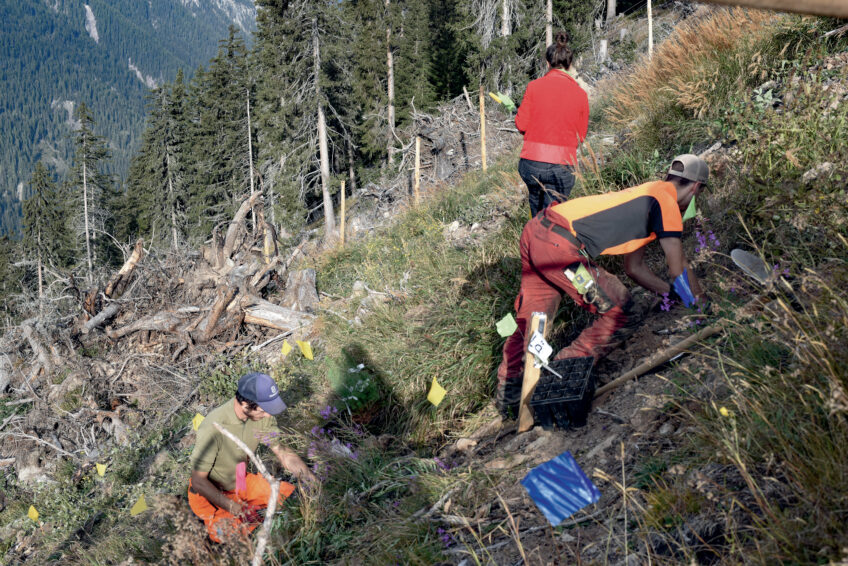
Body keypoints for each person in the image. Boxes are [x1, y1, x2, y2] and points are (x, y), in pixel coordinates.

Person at [496, 155, 710, 417]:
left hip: (538, 232)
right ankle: (565, 372)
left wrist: (671, 296)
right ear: (696, 187)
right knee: (619, 310)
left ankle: (510, 393)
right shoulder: (666, 204)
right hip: (560, 247)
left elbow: (635, 269)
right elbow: (678, 267)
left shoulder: (649, 194)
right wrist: (701, 305)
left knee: (532, 319)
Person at [188, 372, 316, 542]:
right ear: (245, 405)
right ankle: (208, 525)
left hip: (240, 481)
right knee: (231, 535)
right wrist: (236, 508)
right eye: (264, 410)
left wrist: (311, 479)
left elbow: (282, 451)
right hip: (209, 494)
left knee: (290, 496)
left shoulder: (261, 415)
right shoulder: (212, 428)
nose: (268, 415)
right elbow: (198, 482)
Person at [515, 31, 589, 217]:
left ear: (547, 63)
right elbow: (581, 136)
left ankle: (535, 239)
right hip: (562, 164)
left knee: (537, 215)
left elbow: (521, 125)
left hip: (532, 162)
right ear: (569, 65)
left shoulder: (534, 87)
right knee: (556, 217)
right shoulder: (581, 94)